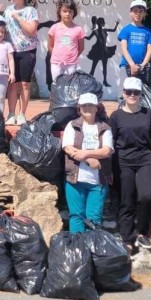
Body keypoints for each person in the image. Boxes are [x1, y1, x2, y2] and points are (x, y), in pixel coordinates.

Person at [110, 77, 151, 252]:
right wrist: (108, 168)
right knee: (126, 200)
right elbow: (110, 142)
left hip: (145, 160)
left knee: (147, 196)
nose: (132, 95)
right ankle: (127, 238)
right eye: (129, 92)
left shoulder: (148, 114)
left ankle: (142, 233)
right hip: (123, 161)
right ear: (123, 93)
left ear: (141, 94)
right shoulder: (116, 116)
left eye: (136, 92)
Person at [61, 93, 114, 233]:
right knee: (76, 216)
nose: (87, 108)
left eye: (90, 105)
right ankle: (78, 249)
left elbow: (107, 151)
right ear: (79, 109)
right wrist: (89, 159)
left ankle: (91, 249)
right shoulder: (72, 126)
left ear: (97, 108)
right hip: (74, 179)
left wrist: (85, 153)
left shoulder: (104, 128)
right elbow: (68, 147)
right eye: (84, 105)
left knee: (94, 218)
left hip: (98, 180)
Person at [3, 0, 39, 125]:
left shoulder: (31, 11)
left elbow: (31, 31)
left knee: (24, 84)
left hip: (27, 52)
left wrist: (18, 17)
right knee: (12, 84)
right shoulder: (7, 10)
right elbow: (2, 30)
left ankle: (22, 114)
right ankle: (11, 114)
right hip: (11, 52)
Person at [118, 0, 151, 83]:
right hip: (126, 66)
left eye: (140, 11)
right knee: (124, 92)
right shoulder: (126, 29)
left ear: (144, 14)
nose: (137, 14)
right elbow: (124, 49)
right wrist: (132, 64)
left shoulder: (148, 31)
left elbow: (150, 50)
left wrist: (143, 65)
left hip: (142, 68)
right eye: (135, 11)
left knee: (140, 93)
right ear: (130, 12)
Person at [48, 0, 85, 78]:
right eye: (64, 11)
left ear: (74, 13)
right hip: (56, 64)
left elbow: (81, 47)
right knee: (57, 86)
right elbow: (50, 46)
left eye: (70, 11)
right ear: (59, 12)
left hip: (71, 64)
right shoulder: (54, 28)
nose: (67, 14)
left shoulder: (78, 29)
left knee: (69, 87)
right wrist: (57, 57)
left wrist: (72, 57)